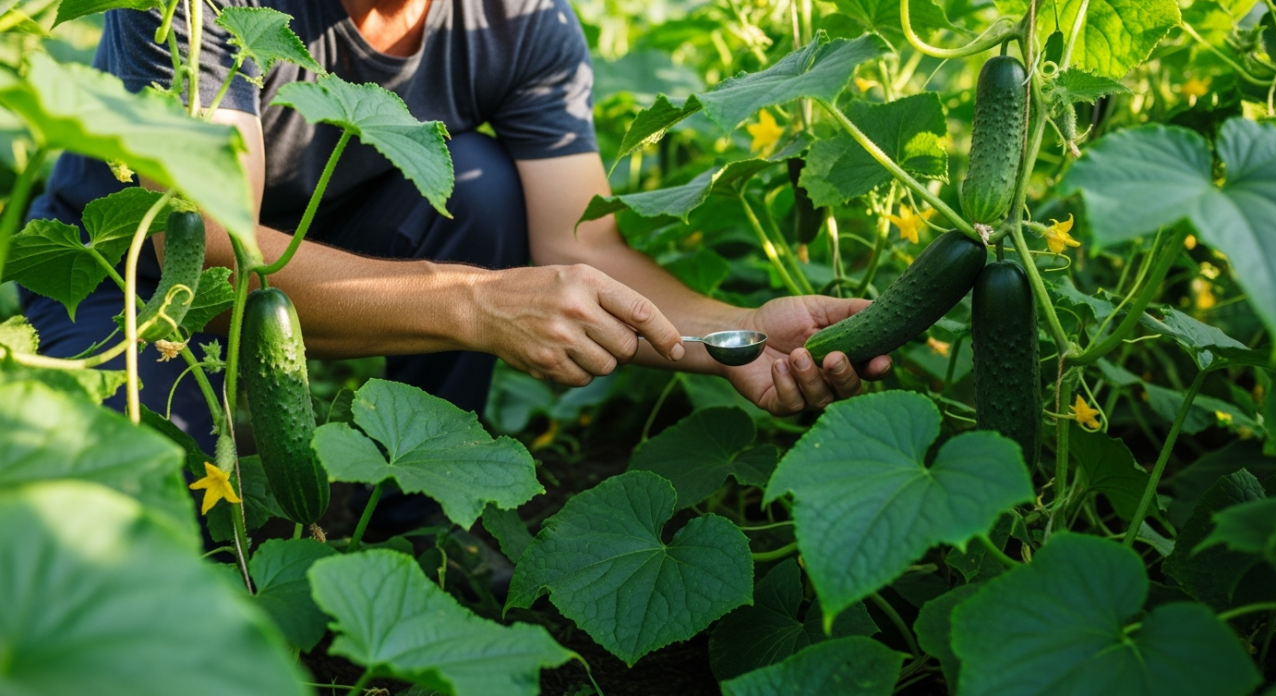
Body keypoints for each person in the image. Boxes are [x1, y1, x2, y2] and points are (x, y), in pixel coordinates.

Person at [23, 0, 892, 457]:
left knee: (480, 187)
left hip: (347, 260)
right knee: (158, 515)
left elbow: (583, 248)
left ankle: (423, 514)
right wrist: (479, 305)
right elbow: (210, 255)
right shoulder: (202, 1)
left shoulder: (524, 21)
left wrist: (733, 337)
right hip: (130, 284)